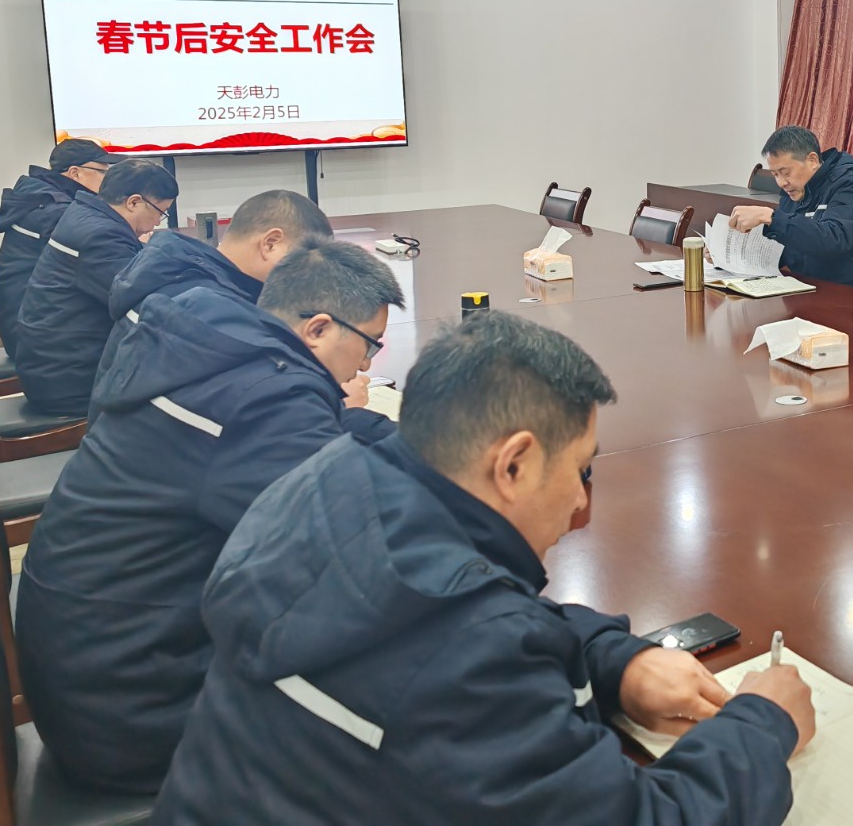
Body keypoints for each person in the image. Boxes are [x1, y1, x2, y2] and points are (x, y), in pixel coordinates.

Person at [151, 311, 814, 825]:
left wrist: (617, 662)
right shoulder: (470, 650)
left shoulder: (334, 476)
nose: (581, 501)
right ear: (514, 464)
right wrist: (761, 723)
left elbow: (469, 607)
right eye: (580, 470)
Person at [16, 238, 405, 793]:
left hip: (91, 669)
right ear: (318, 329)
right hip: (136, 717)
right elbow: (353, 543)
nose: (366, 364)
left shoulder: (212, 348)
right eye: (370, 345)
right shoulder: (262, 399)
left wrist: (405, 437)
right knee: (401, 698)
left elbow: (309, 441)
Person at [98, 188, 334, 378]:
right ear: (270, 243)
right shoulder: (206, 306)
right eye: (300, 263)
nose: (300, 277)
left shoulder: (175, 272)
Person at [11, 158, 177, 416]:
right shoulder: (100, 235)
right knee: (189, 380)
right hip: (69, 381)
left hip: (52, 366)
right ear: (134, 202)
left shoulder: (85, 214)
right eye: (160, 212)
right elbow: (143, 300)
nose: (157, 223)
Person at [0, 140, 120, 355]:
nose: (108, 181)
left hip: (26, 324)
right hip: (35, 338)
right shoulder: (55, 211)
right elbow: (100, 266)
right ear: (75, 173)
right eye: (102, 172)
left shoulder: (41, 198)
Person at [729, 125, 853, 289]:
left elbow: (834, 241)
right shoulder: (794, 191)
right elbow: (789, 245)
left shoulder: (851, 185)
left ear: (812, 161)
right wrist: (737, 257)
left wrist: (771, 217)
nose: (781, 182)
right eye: (775, 174)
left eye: (785, 172)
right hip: (809, 288)